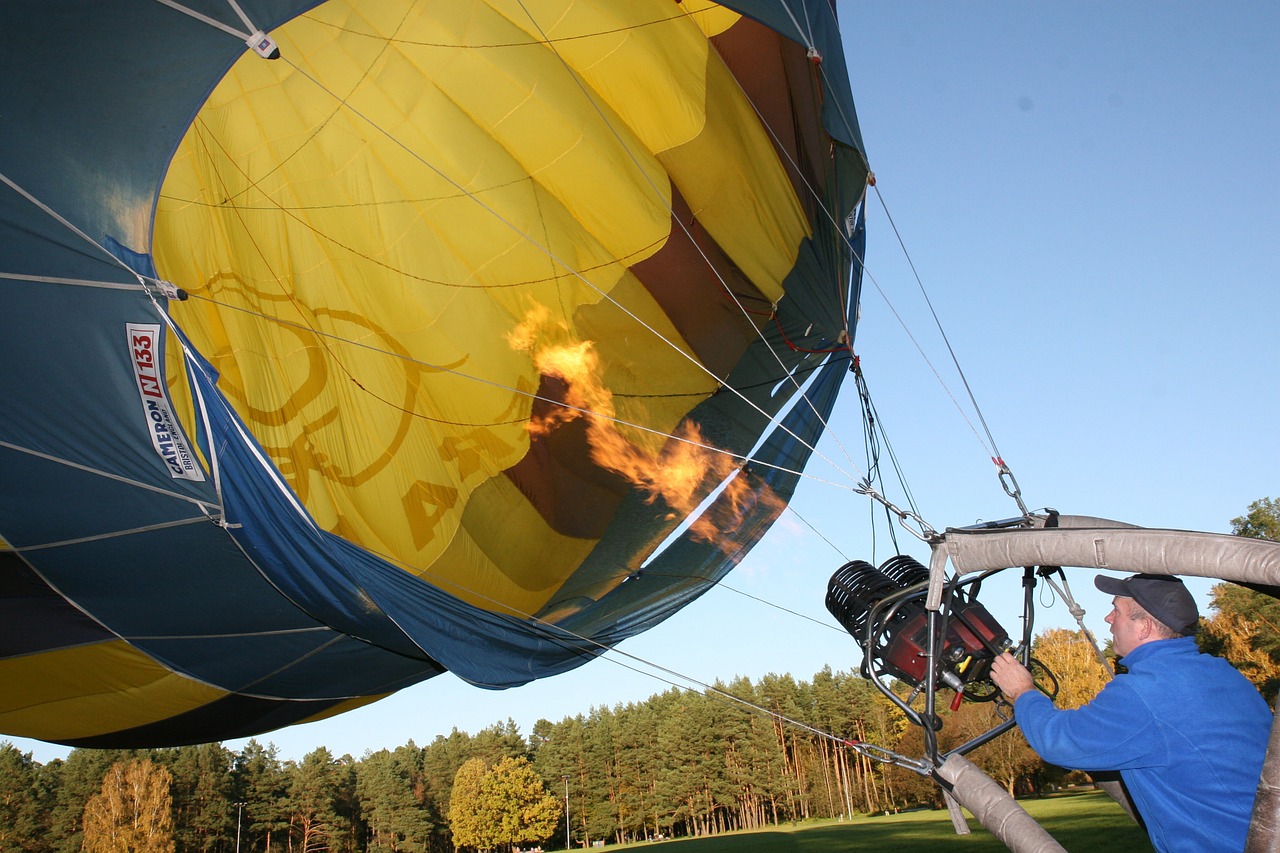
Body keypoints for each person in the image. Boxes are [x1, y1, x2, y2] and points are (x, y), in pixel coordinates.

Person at [989, 572, 1273, 853]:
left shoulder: (1146, 691)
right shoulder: (1223, 673)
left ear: (1144, 627)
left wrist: (1022, 691)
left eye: (1117, 611)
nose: (1108, 619)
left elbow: (1059, 741)